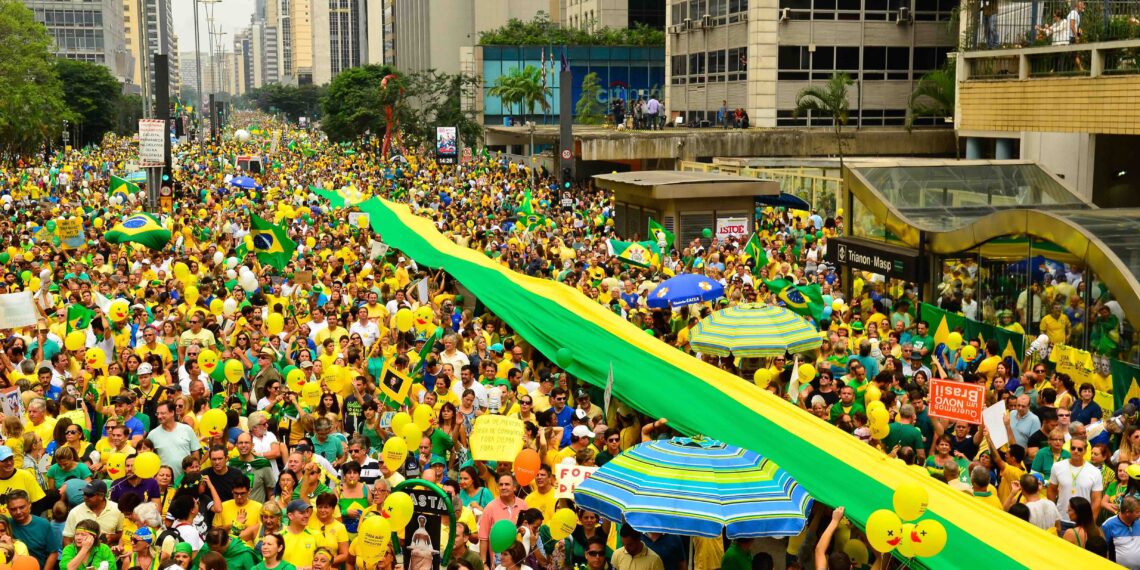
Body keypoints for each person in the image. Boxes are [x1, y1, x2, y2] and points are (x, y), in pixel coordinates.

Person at [1050, 437, 1104, 523]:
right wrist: (1053, 515)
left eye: (1079, 449)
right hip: (1061, 519)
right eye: (1073, 448)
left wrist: (1091, 523)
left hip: (1083, 521)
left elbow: (1096, 500)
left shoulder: (1095, 472)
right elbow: (1051, 491)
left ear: (1085, 451)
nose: (1076, 451)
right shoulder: (1057, 466)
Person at [478, 475, 528, 564]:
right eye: (501, 485)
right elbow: (483, 538)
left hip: (519, 561)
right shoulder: (490, 507)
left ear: (515, 488)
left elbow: (527, 532)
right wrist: (484, 563)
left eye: (507, 484)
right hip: (498, 562)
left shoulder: (523, 505)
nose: (503, 487)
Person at [7, 490, 59, 570]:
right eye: (13, 509)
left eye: (21, 507)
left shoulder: (43, 524)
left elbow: (53, 553)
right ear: (8, 509)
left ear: (29, 505)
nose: (18, 512)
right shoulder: (6, 525)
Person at [148, 401, 200, 479]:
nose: (159, 416)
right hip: (165, 481)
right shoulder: (152, 434)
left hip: (187, 480)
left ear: (172, 412)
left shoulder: (187, 429)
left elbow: (195, 452)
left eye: (162, 413)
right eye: (157, 413)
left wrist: (194, 471)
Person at [63, 479, 123, 546]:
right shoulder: (75, 512)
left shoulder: (117, 509)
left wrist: (113, 537)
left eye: (89, 495)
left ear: (101, 496)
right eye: (84, 493)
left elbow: (123, 534)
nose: (85, 497)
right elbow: (67, 539)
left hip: (107, 554)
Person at [1103, 495, 1140, 566]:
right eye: (1137, 512)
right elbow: (1104, 550)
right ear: (1127, 512)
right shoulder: (1108, 525)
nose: (1139, 514)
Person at [282, 500, 320, 569]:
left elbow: (325, 562)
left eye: (307, 512)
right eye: (302, 513)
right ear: (290, 516)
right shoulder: (279, 537)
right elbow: (271, 563)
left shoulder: (317, 535)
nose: (307, 515)